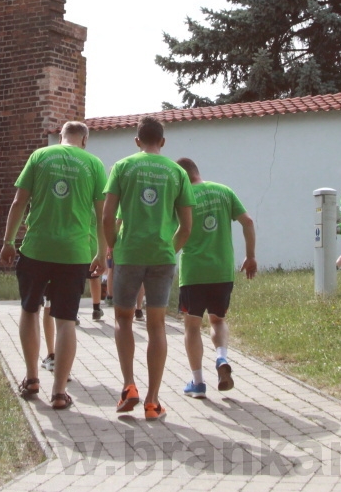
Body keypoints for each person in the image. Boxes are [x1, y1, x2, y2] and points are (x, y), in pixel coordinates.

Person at [0, 121, 107, 411]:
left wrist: (9, 241)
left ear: (60, 137)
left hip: (36, 248)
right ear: (84, 140)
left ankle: (32, 378)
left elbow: (19, 201)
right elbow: (102, 215)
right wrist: (102, 252)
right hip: (74, 253)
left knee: (30, 310)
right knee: (66, 321)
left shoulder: (39, 156)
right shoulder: (94, 164)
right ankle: (59, 392)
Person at [102, 116, 193, 421]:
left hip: (129, 254)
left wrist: (113, 245)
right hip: (162, 255)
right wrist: (170, 249)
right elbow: (186, 226)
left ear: (137, 140)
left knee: (123, 318)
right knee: (156, 326)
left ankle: (129, 385)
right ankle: (153, 402)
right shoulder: (177, 171)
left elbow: (107, 215)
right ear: (163, 142)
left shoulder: (123, 166)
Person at [175, 158, 257, 399]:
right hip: (221, 271)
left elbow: (180, 230)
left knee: (191, 326)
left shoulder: (182, 197)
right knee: (217, 320)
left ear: (181, 177)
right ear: (197, 172)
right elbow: (248, 222)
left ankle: (198, 383)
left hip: (194, 272)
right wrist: (250, 256)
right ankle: (221, 357)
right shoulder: (224, 191)